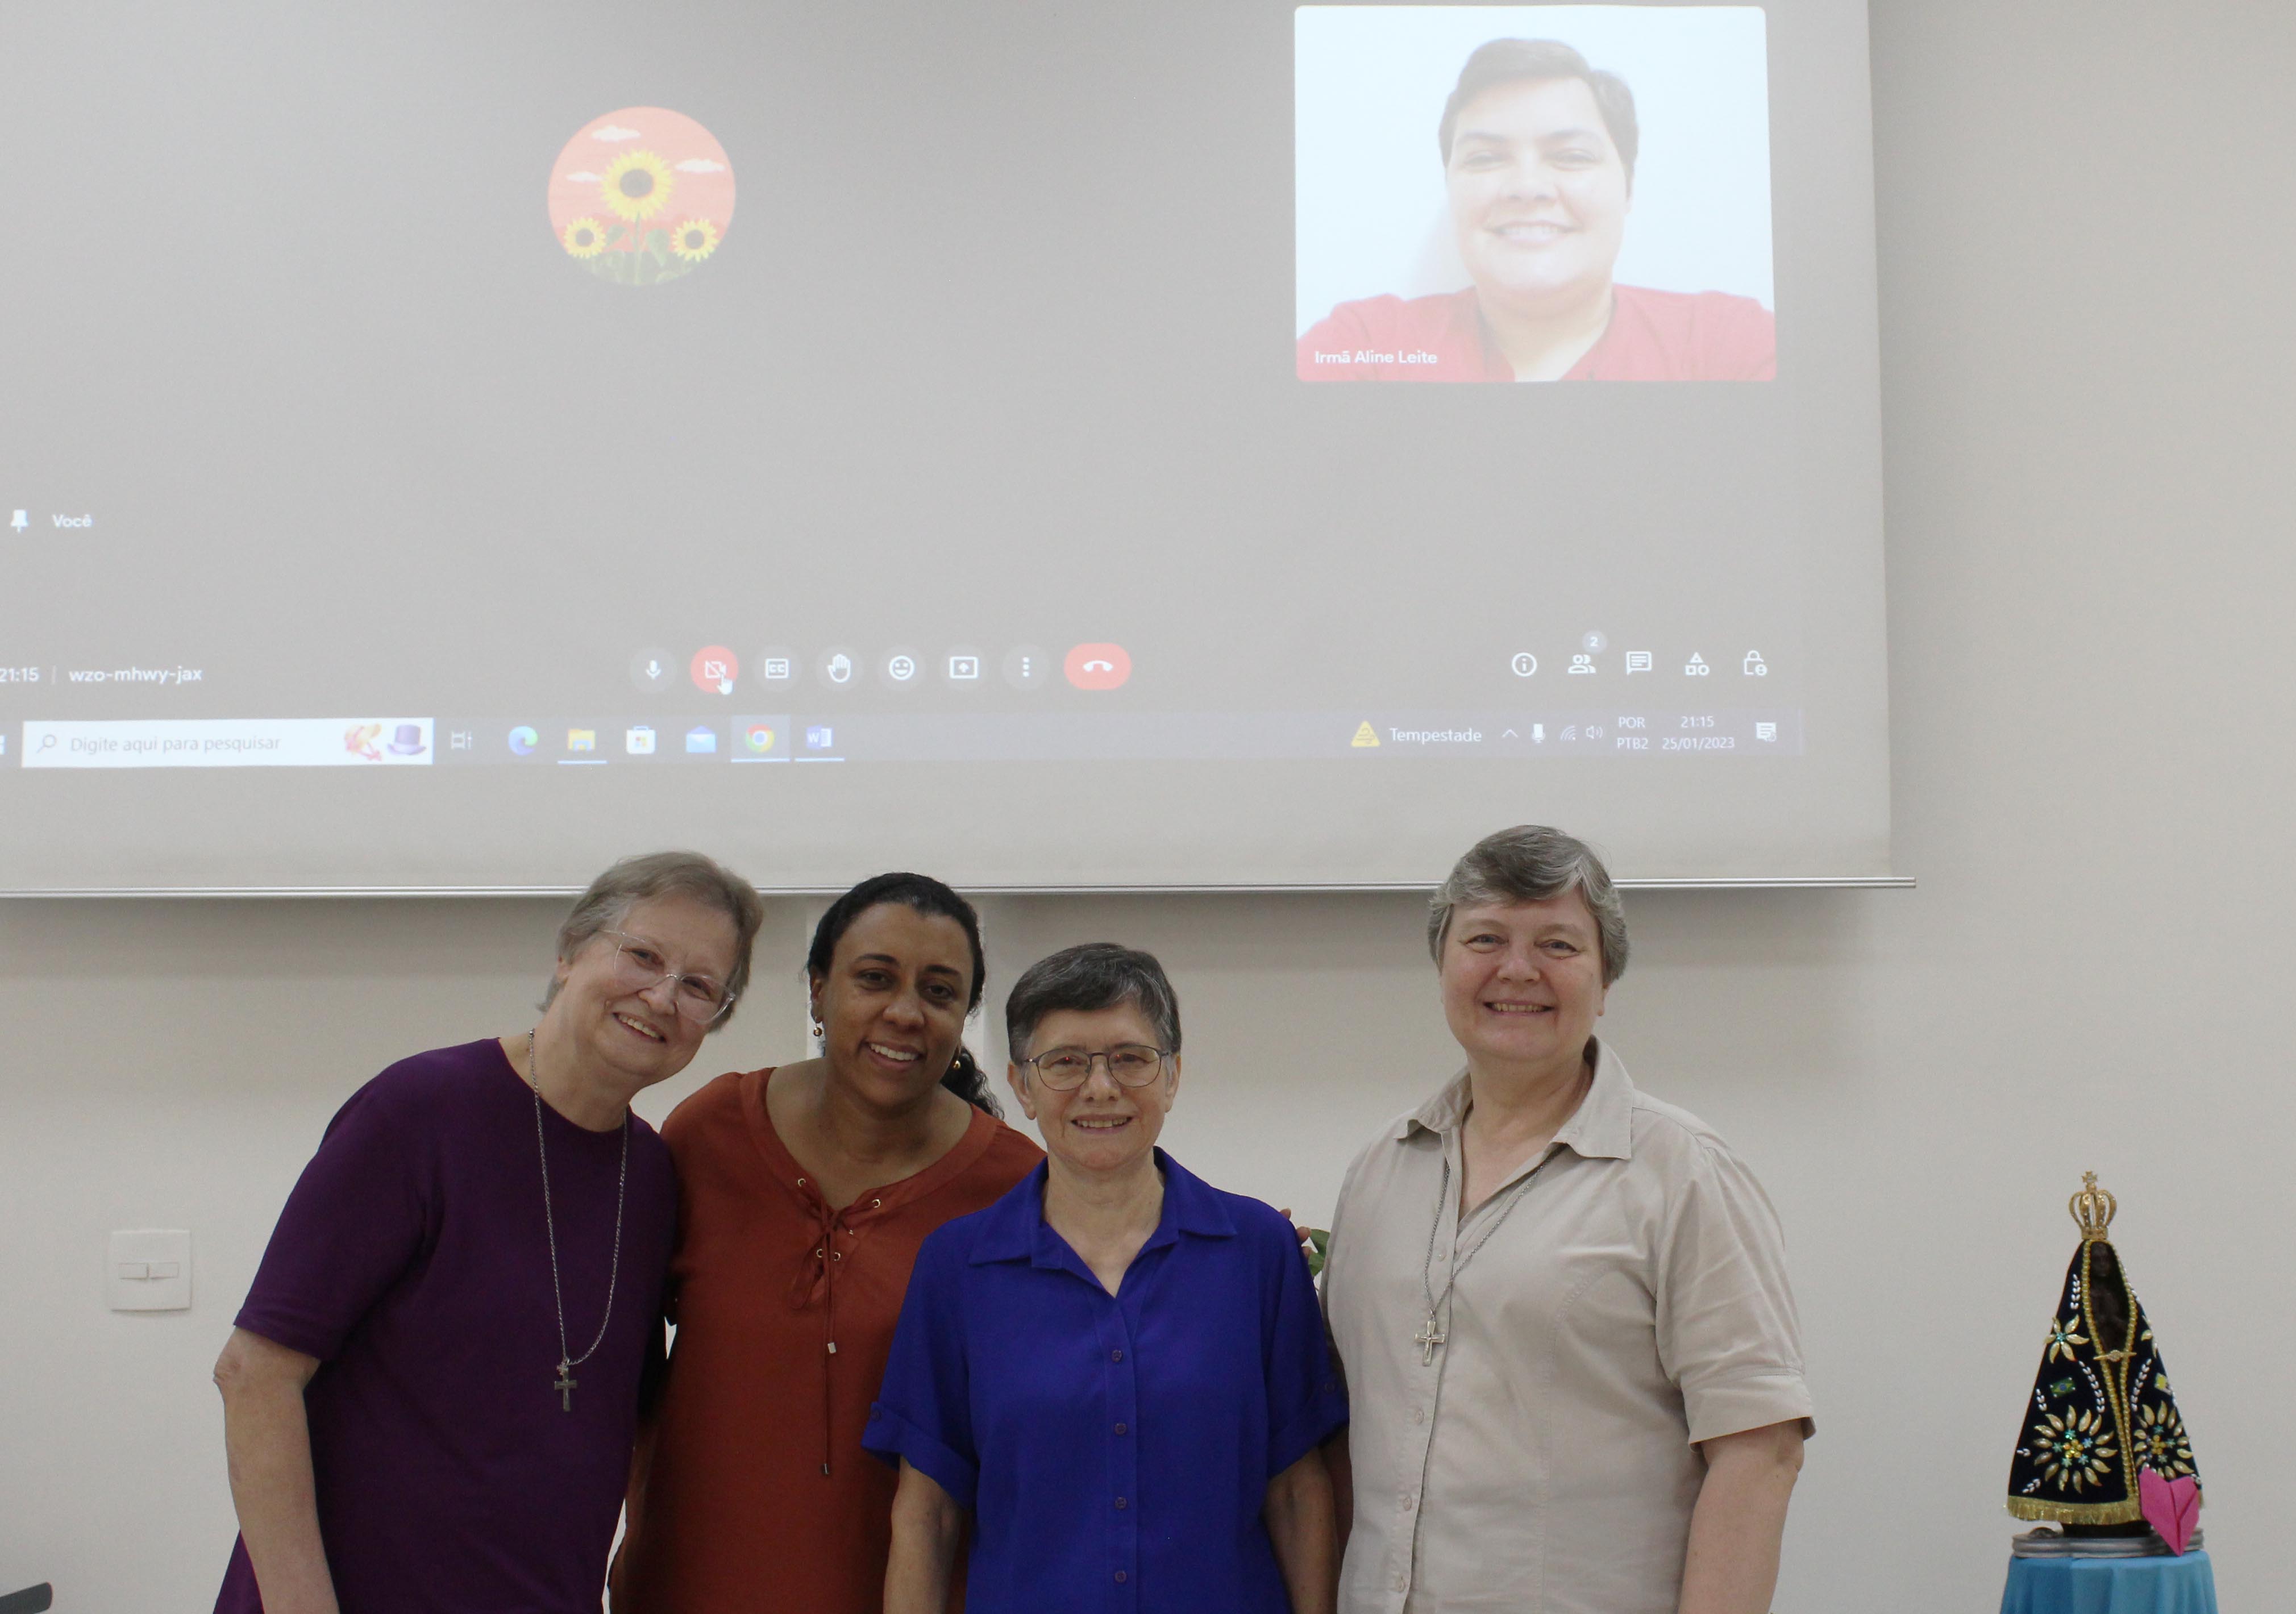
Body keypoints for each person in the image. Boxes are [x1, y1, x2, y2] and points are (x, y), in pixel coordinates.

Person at [210, 850, 766, 1614]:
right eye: (642, 955)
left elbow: (619, 1416)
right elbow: (255, 1374)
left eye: (699, 986)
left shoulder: (652, 1177)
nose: (662, 996)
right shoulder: (419, 1112)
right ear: (570, 951)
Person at [1320, 825, 1811, 1614]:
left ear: (1604, 980)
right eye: (1485, 938)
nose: (1518, 969)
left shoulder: (1681, 1170)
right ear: (1442, 963)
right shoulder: (1380, 1169)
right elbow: (1342, 1434)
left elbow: (1761, 1449)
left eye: (1557, 944)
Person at [868, 943, 1346, 1613]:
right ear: (1022, 1086)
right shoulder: (957, 1267)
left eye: (1129, 1057)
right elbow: (928, 1514)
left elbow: (1295, 1490)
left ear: (1172, 1076)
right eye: (1065, 1062)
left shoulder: (1257, 1251)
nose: (1099, 1087)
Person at [610, 873, 1042, 1614]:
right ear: (817, 990)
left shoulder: (1016, 1191)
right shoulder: (708, 1134)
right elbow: (627, 1374)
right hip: (684, 1587)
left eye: (939, 992)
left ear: (964, 1016)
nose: (904, 1011)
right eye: (874, 978)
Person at [1297, 39, 1775, 382]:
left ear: (1628, 188)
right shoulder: (1369, 347)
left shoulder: (1726, 345)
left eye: (1572, 156)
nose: (1527, 188)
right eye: (1485, 159)